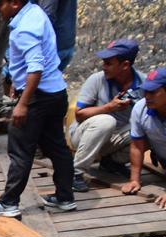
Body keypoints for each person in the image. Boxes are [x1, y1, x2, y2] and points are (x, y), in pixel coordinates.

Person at [0, 0, 73, 218]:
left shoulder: (24, 29)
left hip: (39, 97)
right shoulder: (35, 13)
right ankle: (65, 196)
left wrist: (23, 104)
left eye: (0, 4)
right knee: (57, 146)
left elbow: (36, 67)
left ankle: (9, 202)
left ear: (14, 3)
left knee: (20, 149)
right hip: (56, 91)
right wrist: (16, 83)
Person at [70, 39, 142, 191]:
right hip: (84, 135)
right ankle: (75, 173)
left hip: (117, 138)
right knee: (106, 121)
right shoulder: (96, 79)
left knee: (145, 128)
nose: (104, 67)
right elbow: (79, 115)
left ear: (125, 65)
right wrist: (109, 107)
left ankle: (112, 163)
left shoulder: (144, 82)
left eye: (109, 63)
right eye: (104, 62)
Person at [122, 67, 166, 209]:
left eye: (153, 92)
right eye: (146, 91)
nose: (147, 96)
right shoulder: (140, 108)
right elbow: (136, 145)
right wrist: (134, 180)